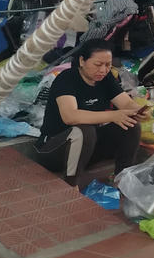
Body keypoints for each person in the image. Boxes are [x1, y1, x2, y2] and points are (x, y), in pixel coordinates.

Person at [34, 39, 147, 186]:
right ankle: (71, 184)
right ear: (82, 61)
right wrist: (113, 115)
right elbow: (70, 116)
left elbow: (126, 103)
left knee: (131, 125)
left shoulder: (106, 79)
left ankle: (122, 178)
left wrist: (138, 111)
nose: (103, 70)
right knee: (84, 130)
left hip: (87, 149)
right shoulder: (66, 79)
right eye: (98, 65)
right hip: (52, 150)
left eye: (108, 65)